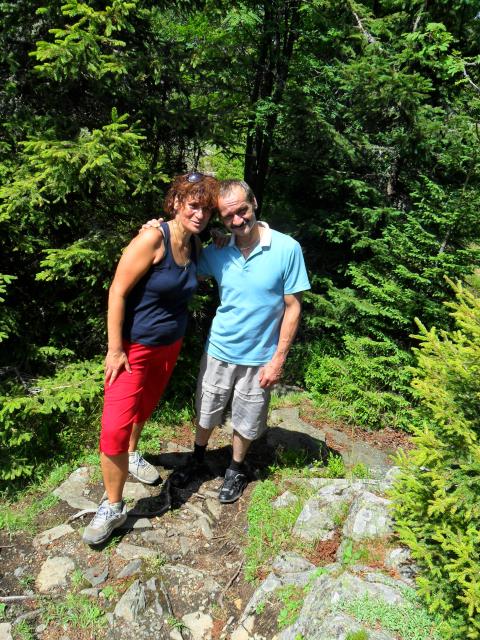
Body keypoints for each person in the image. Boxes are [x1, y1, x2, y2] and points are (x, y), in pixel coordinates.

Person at [82, 172, 219, 545]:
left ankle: (132, 454)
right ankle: (113, 505)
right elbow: (117, 291)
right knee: (114, 427)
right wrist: (115, 349)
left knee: (144, 407)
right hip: (133, 350)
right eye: (194, 205)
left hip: (169, 346)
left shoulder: (194, 243)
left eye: (207, 210)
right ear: (175, 202)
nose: (201, 214)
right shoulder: (152, 239)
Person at [170, 179, 310, 503]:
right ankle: (198, 457)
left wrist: (278, 359)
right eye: (227, 216)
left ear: (254, 202)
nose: (237, 220)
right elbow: (182, 258)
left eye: (242, 210)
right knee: (206, 409)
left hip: (260, 356)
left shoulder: (287, 248)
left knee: (248, 419)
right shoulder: (219, 251)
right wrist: (164, 230)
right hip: (219, 349)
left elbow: (293, 307)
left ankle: (235, 469)